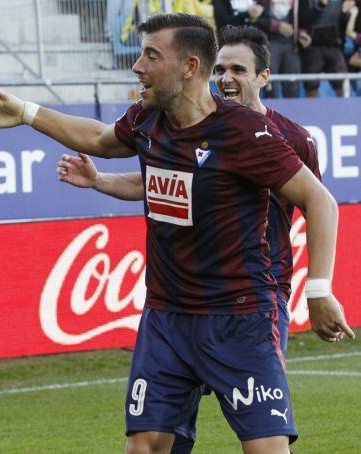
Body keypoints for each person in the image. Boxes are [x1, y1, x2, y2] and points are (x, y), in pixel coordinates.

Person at [0, 13, 353, 454]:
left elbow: (319, 200)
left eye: (152, 55)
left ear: (189, 67)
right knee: (145, 446)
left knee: (266, 449)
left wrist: (319, 290)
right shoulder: (149, 120)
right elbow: (98, 138)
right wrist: (27, 113)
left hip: (239, 317)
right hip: (167, 318)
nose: (138, 67)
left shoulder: (245, 132)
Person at [56, 25, 322, 452]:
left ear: (264, 77)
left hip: (253, 299)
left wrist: (318, 289)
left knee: (264, 437)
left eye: (240, 69)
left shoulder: (290, 139)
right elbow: (167, 182)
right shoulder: (172, 122)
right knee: (151, 439)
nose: (228, 78)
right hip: (175, 304)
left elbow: (315, 203)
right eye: (223, 69)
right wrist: (101, 180)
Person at [299, 0, 354, 96]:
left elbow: (342, 28)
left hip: (334, 47)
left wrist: (344, 14)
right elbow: (304, 21)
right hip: (313, 47)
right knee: (311, 86)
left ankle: (345, 110)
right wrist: (321, 5)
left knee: (343, 84)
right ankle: (311, 110)